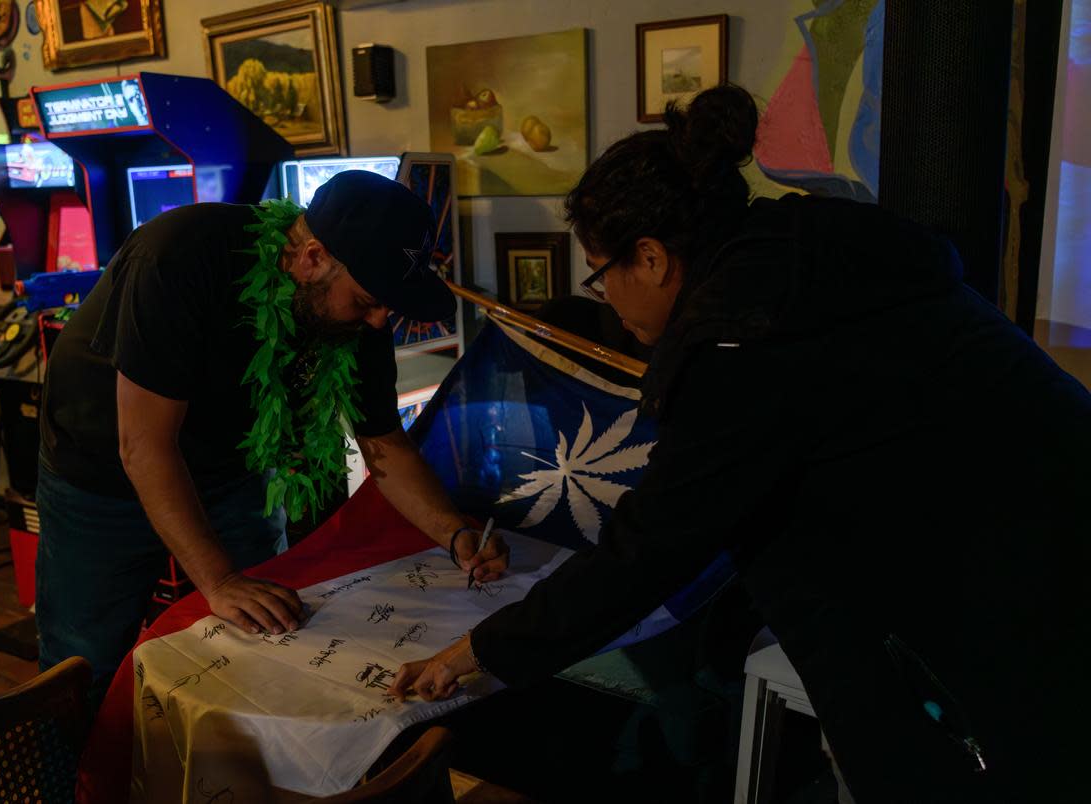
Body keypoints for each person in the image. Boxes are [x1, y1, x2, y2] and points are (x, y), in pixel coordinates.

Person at [391, 86, 1091, 803]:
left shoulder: (743, 341)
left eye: (602, 277)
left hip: (1000, 634)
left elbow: (651, 547)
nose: (607, 298)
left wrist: (481, 649)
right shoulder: (813, 254)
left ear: (654, 258)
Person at [37, 171, 507, 709]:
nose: (379, 320)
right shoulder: (179, 255)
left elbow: (383, 442)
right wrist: (220, 580)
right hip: (99, 476)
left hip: (228, 475)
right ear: (311, 259)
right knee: (84, 663)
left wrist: (454, 535)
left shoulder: (358, 314)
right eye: (367, 301)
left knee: (264, 637)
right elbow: (143, 446)